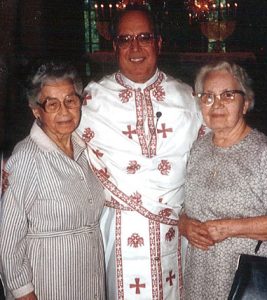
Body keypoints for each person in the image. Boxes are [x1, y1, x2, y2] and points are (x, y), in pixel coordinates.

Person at [77, 4, 204, 300]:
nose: (135, 47)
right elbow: (52, 146)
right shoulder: (90, 101)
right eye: (125, 39)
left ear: (158, 43)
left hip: (175, 231)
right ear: (114, 46)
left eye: (144, 37)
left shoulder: (187, 99)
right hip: (115, 229)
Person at [179, 60, 267, 299]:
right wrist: (184, 224)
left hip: (246, 283)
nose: (217, 105)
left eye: (228, 95)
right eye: (208, 97)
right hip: (199, 279)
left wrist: (228, 228)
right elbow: (188, 205)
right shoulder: (199, 149)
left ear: (245, 103)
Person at [0, 62, 106, 300]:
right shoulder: (27, 157)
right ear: (36, 110)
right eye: (52, 104)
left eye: (70, 100)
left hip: (89, 281)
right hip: (48, 283)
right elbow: (7, 239)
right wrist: (22, 292)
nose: (64, 111)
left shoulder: (86, 149)